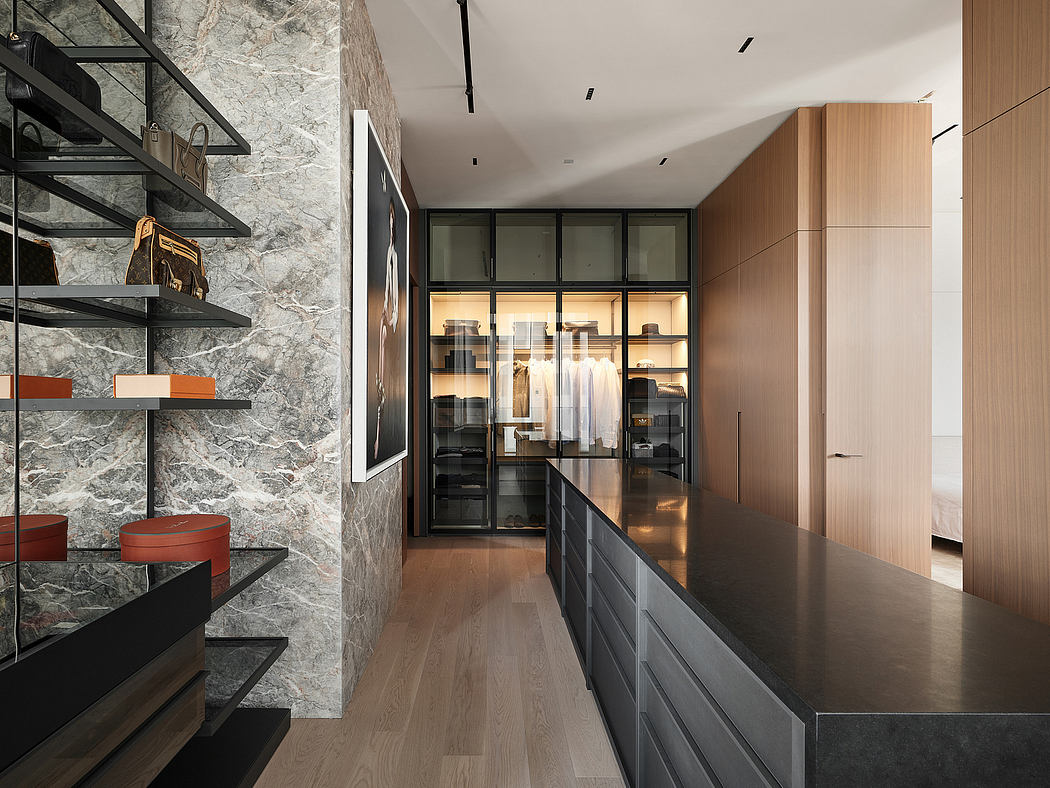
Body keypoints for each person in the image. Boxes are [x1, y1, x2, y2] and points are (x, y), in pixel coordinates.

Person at [374, 198, 399, 458]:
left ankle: (379, 438)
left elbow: (396, 301)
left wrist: (390, 318)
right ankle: (378, 439)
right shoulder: (386, 253)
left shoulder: (393, 256)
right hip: (382, 323)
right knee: (378, 385)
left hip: (386, 324)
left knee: (383, 386)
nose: (390, 224)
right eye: (389, 219)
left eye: (393, 221)